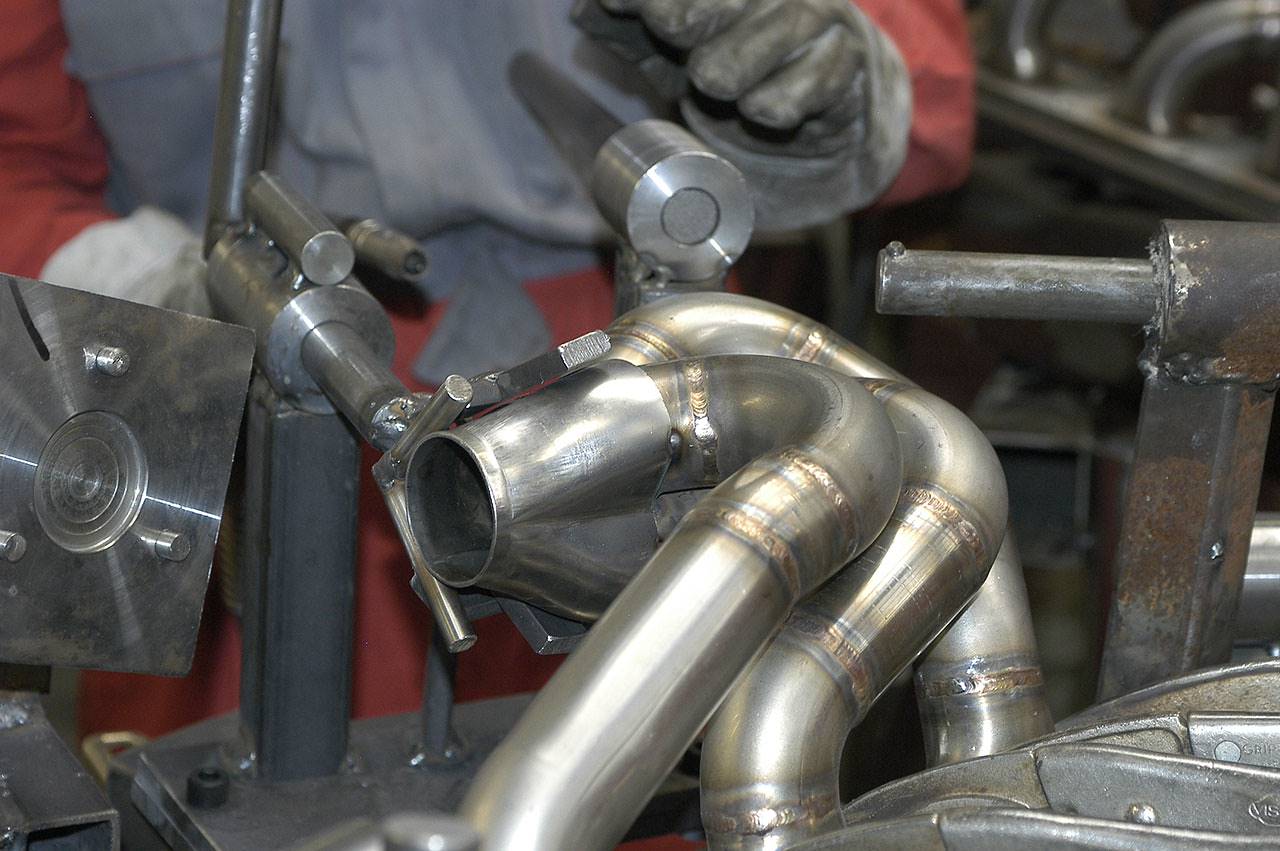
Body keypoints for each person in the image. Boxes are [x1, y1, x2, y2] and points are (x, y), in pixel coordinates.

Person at [0, 0, 974, 743]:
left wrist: (823, 93)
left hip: (628, 383)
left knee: (657, 768)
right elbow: (15, 163)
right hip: (209, 440)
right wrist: (159, 296)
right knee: (217, 789)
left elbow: (922, 90)